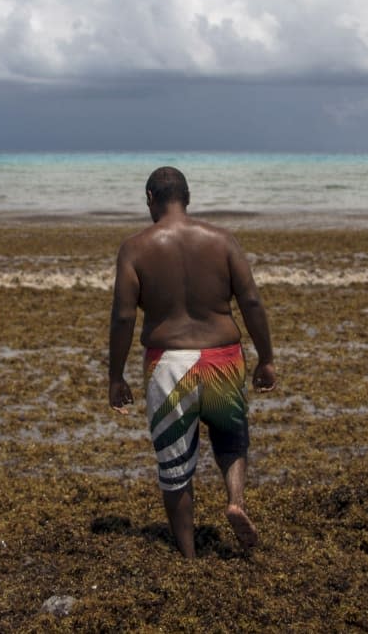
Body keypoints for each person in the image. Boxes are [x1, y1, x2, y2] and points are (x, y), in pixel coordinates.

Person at [108, 166, 277, 558]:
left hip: (170, 364)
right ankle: (235, 501)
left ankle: (188, 558)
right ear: (188, 197)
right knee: (231, 440)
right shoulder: (222, 240)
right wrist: (266, 358)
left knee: (175, 467)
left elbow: (123, 317)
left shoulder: (134, 249)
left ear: (150, 198)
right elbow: (251, 301)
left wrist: (115, 376)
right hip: (223, 357)